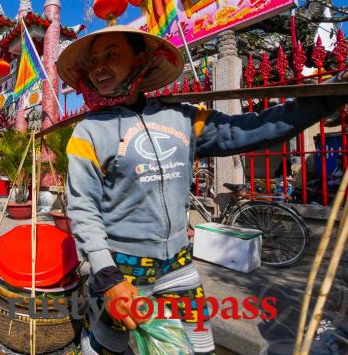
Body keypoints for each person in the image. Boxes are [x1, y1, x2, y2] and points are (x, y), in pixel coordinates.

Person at [57, 25, 348, 355]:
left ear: (141, 60)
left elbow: (246, 131)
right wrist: (108, 279)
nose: (99, 67)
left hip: (178, 266)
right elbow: (83, 209)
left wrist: (323, 102)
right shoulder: (89, 133)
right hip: (121, 272)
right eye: (94, 60)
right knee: (108, 348)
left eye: (111, 54)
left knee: (200, 348)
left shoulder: (181, 118)